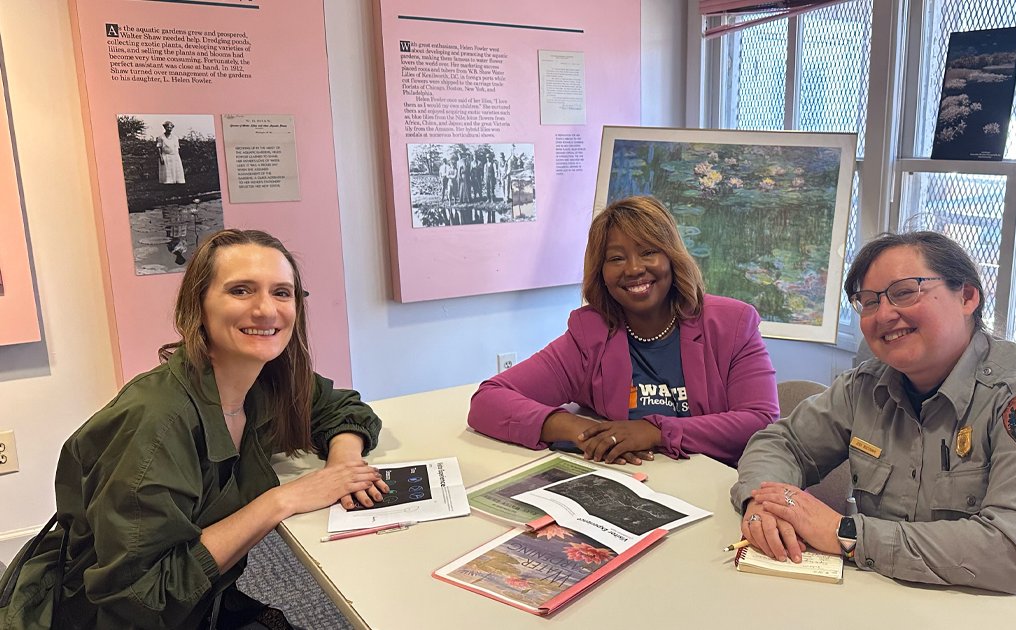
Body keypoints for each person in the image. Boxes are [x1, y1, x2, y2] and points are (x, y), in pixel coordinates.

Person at [731, 231, 1016, 629]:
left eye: (905, 292)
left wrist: (845, 533)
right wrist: (764, 505)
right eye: (868, 302)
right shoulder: (867, 386)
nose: (884, 314)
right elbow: (782, 443)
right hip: (912, 600)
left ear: (968, 297)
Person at [0, 229, 390, 629]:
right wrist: (278, 502)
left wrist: (343, 466)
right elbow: (139, 599)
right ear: (198, 305)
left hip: (202, 603)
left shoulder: (265, 381)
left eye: (281, 292)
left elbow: (339, 405)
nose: (266, 309)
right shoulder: (154, 422)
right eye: (241, 290)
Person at [467, 195, 779, 467]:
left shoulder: (732, 324)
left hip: (713, 487)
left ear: (671, 257)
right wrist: (577, 428)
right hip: (630, 484)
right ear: (601, 273)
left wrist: (655, 431)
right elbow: (488, 400)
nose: (633, 269)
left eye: (647, 252)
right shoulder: (590, 334)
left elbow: (760, 422)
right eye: (616, 258)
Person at [157, 120, 186, 185]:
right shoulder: (161, 137)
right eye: (168, 127)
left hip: (174, 156)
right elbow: (159, 147)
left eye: (171, 128)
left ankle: (176, 181)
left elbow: (177, 148)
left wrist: (177, 157)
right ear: (165, 128)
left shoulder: (175, 137)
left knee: (175, 169)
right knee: (167, 170)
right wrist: (161, 157)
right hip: (165, 156)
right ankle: (168, 182)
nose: (169, 129)